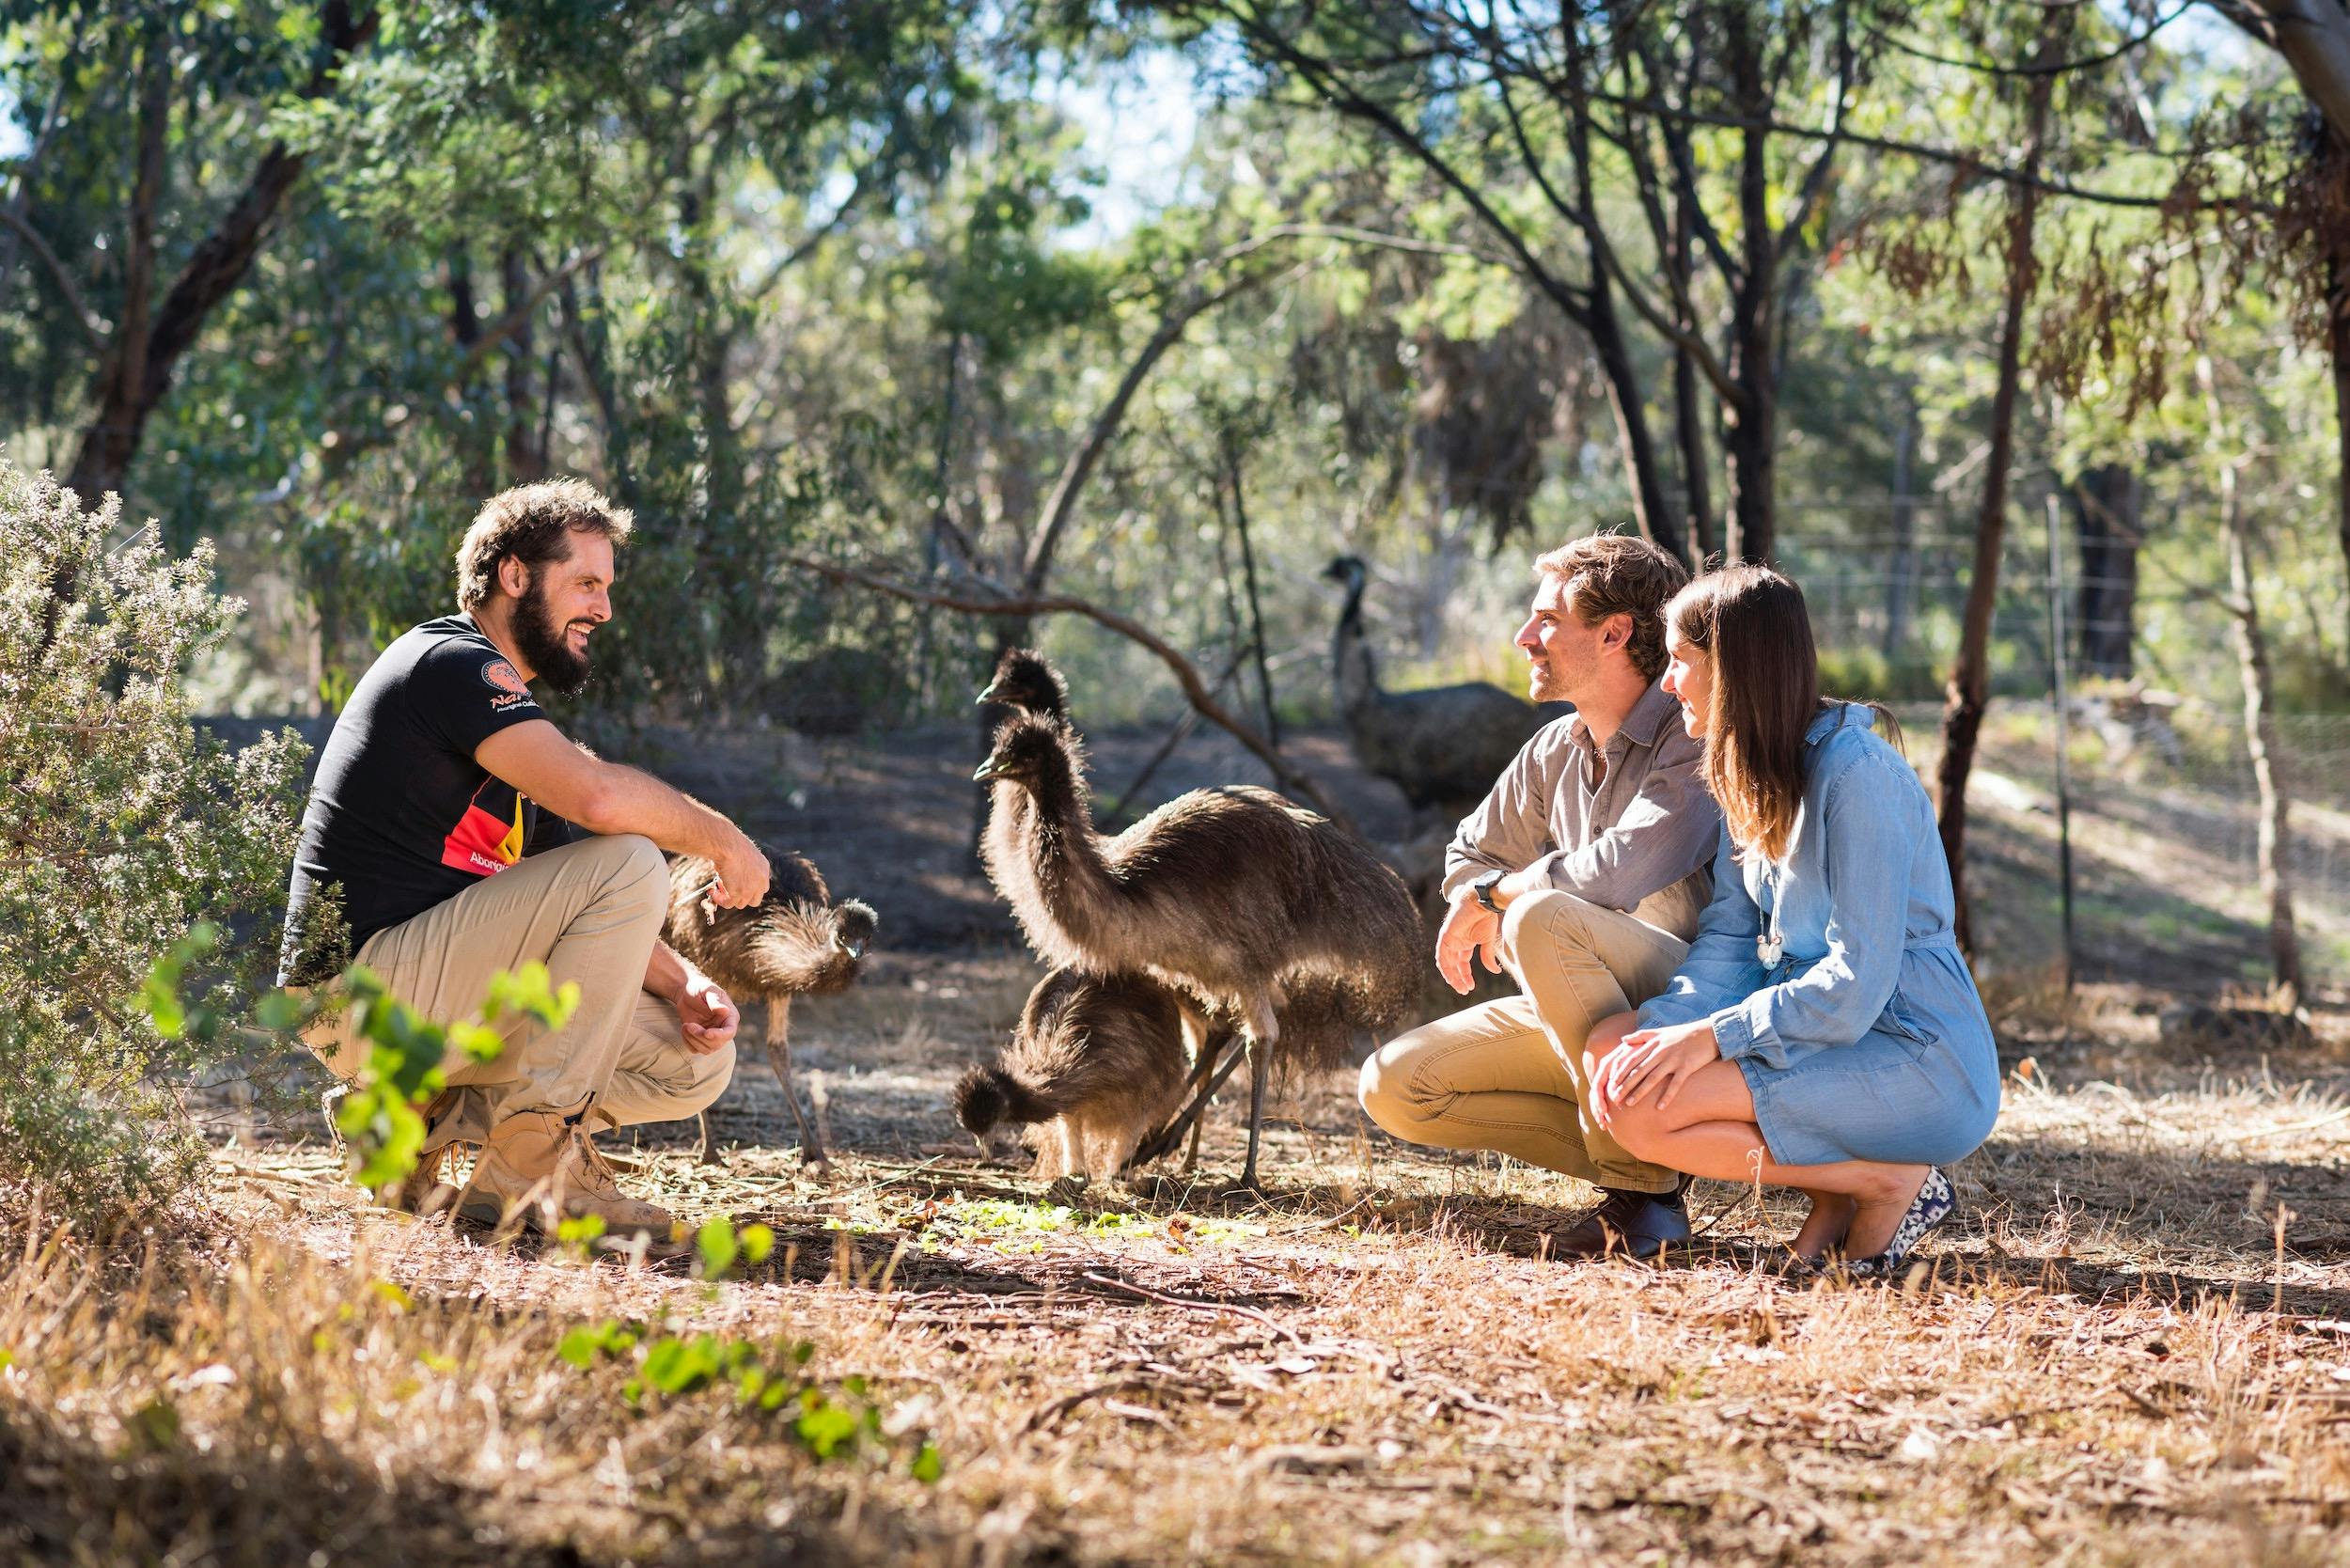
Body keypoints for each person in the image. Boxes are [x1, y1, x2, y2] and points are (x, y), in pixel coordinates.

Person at [280, 478, 774, 1238]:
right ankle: (533, 1166)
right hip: (357, 994)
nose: (603, 609)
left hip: (428, 1001)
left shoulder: (516, 737)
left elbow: (588, 921)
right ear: (515, 576)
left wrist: (687, 986)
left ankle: (415, 1116)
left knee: (695, 1061)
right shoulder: (451, 663)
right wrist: (723, 841)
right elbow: (602, 807)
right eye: (584, 583)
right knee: (631, 857)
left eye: (606, 588)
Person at [1586, 565, 2001, 1274]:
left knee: (1641, 1112)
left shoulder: (1856, 775)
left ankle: (1888, 1182)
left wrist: (1712, 1038)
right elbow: (1728, 939)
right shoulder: (1744, 767)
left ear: (1736, 668)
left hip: (1916, 1053)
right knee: (1613, 1048)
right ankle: (1839, 1196)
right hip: (1822, 1038)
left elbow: (1855, 984)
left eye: (1681, 662)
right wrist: (1666, 1031)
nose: (1667, 683)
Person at [1357, 534, 1725, 1258]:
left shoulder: (1691, 738)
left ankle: (1641, 1200)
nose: (1525, 638)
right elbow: (1472, 851)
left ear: (1615, 632)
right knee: (1395, 1084)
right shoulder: (1555, 747)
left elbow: (1620, 871)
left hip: (1691, 1011)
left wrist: (1502, 900)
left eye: (1547, 620)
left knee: (1543, 915)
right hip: (1585, 1012)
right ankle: (1663, 1155)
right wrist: (1477, 896)